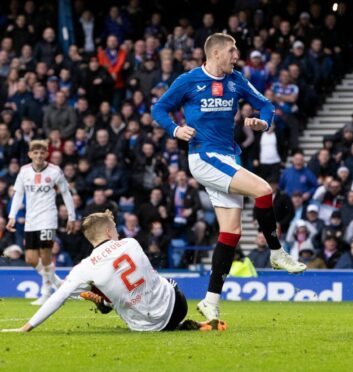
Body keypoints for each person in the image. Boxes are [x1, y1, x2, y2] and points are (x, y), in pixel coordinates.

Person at [151, 33, 305, 326]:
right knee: (263, 190)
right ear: (217, 53)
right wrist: (174, 130)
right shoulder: (188, 80)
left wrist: (263, 122)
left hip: (228, 158)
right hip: (205, 157)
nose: (237, 56)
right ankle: (276, 252)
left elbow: (267, 105)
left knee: (231, 232)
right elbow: (158, 108)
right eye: (233, 51)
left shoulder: (236, 80)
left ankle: (210, 302)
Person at [0, 210, 219, 333]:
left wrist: (26, 327)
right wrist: (108, 218)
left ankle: (106, 303)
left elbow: (57, 299)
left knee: (105, 287)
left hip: (145, 327)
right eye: (114, 228)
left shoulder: (85, 266)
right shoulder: (131, 243)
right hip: (176, 307)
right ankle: (107, 302)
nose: (117, 231)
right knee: (160, 281)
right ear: (108, 230)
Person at [7, 140, 77, 305]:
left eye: (42, 152)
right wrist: (12, 216)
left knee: (45, 256)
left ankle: (46, 293)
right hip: (31, 220)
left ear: (46, 154)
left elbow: (66, 193)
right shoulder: (24, 171)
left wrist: (71, 216)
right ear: (30, 154)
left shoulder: (54, 171)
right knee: (31, 259)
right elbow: (18, 195)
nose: (38, 155)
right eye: (35, 152)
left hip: (48, 218)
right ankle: (58, 283)